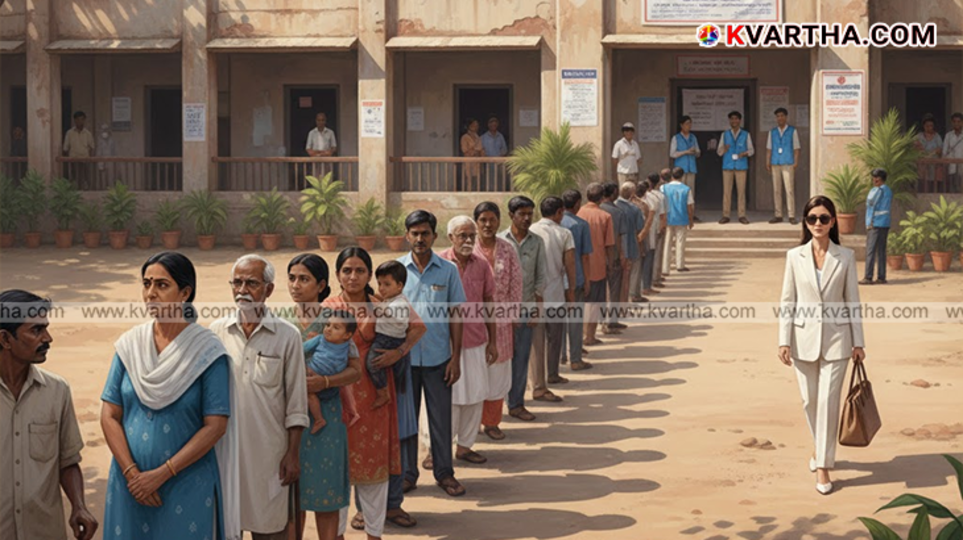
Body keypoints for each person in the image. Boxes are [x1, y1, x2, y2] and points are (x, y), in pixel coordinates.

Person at [101, 252, 240, 540]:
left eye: (162, 285)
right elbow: (109, 414)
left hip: (186, 485)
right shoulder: (130, 346)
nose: (150, 293)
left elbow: (216, 426)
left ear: (185, 293)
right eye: (146, 284)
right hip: (130, 486)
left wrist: (161, 474)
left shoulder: (207, 352)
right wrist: (132, 475)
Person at [211, 254, 308, 540]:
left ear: (268, 289)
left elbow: (297, 403)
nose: (242, 290)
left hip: (270, 457)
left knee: (270, 529)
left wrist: (292, 454)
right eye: (237, 283)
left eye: (251, 283)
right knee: (227, 528)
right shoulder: (216, 332)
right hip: (226, 455)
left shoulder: (287, 336)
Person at [330, 247, 423, 536]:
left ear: (370, 275)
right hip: (337, 396)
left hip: (375, 395)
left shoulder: (381, 303)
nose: (353, 276)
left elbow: (417, 327)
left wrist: (399, 352)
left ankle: (374, 532)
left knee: (374, 468)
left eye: (360, 271)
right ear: (337, 275)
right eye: (347, 270)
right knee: (336, 470)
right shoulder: (327, 307)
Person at [778, 195, 866, 495]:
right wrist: (783, 340)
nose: (818, 223)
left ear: (833, 222)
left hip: (838, 340)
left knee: (828, 402)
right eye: (812, 218)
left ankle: (823, 467)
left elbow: (852, 301)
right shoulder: (794, 256)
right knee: (809, 401)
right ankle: (820, 448)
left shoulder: (846, 257)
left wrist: (858, 342)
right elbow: (787, 301)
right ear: (805, 222)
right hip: (802, 338)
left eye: (824, 218)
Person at [1, 289, 98, 540]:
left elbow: (68, 460)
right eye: (36, 330)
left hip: (44, 532)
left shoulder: (57, 391)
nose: (48, 338)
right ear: (5, 339)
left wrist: (79, 505)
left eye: (46, 328)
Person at [284, 253, 363, 540]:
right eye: (292, 278)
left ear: (320, 285)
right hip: (286, 418)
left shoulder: (335, 321)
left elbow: (355, 371)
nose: (295, 285)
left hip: (325, 419)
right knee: (291, 499)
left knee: (325, 494)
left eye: (303, 279)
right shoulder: (281, 322)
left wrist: (325, 382)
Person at [399, 211, 468, 497]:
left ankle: (444, 473)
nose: (419, 238)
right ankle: (407, 474)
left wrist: (455, 358)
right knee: (407, 420)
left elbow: (457, 315)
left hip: (439, 359)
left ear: (434, 236)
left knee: (441, 419)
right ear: (407, 236)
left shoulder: (448, 270)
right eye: (414, 233)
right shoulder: (396, 270)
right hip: (404, 360)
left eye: (425, 233)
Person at [437, 216, 498, 463]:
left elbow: (489, 302)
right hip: (443, 343)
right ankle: (436, 449)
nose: (468, 240)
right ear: (451, 237)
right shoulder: (439, 263)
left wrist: (493, 340)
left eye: (472, 236)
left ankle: (464, 446)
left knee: (475, 395)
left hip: (475, 341)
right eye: (463, 235)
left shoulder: (482, 265)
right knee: (445, 399)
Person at [474, 202, 524, 440]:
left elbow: (516, 284)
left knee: (498, 373)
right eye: (483, 220)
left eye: (492, 220)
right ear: (476, 222)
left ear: (498, 221)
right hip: (472, 323)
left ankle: (492, 422)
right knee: (474, 373)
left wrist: (513, 316)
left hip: (502, 322)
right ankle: (471, 424)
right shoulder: (468, 249)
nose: (487, 224)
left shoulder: (507, 249)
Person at [500, 197, 551, 417]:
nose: (526, 218)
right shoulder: (500, 241)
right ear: (511, 215)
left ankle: (516, 404)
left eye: (530, 213)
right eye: (522, 214)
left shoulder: (537, 242)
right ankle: (494, 407)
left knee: (521, 358)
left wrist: (537, 309)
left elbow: (540, 277)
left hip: (526, 309)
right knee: (500, 360)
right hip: (500, 312)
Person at [529, 197, 577, 395]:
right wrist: (571, 291)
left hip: (533, 297)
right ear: (559, 212)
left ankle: (535, 380)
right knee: (554, 338)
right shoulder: (564, 233)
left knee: (535, 343)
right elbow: (570, 264)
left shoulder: (530, 230)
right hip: (555, 294)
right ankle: (552, 374)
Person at [368, 261, 414, 409]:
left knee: (372, 363)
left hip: (388, 340)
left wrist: (380, 308)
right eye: (379, 284)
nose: (381, 288)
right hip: (388, 339)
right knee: (396, 373)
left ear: (399, 286)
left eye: (387, 284)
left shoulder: (401, 303)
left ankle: (382, 392)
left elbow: (398, 317)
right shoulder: (390, 300)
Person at [302, 312, 357, 432]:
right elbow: (303, 348)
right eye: (327, 325)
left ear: (347, 335)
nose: (328, 329)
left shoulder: (350, 346)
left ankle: (319, 420)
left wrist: (326, 381)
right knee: (309, 394)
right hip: (312, 374)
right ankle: (318, 419)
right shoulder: (321, 339)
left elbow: (356, 371)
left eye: (336, 327)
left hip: (328, 386)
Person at [559, 189, 594, 371]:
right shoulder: (580, 225)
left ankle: (561, 355)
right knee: (575, 320)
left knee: (559, 319)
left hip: (557, 280)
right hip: (576, 278)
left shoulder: (555, 224)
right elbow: (585, 256)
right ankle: (575, 358)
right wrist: (587, 280)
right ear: (578, 203)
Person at [578, 183, 616, 347]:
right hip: (597, 266)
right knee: (594, 302)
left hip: (578, 267)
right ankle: (590, 336)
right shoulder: (605, 216)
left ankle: (579, 336)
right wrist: (610, 264)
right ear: (601, 198)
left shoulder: (578, 213)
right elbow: (609, 244)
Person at [600, 182, 628, 334]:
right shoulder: (617, 212)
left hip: (596, 257)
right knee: (614, 290)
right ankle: (611, 321)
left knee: (599, 291)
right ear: (613, 193)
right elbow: (619, 238)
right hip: (614, 255)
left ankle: (600, 320)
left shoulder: (595, 210)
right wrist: (622, 255)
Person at [717, 110, 754, 224]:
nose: (734, 121)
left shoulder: (746, 134)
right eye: (732, 119)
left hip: (741, 166)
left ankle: (742, 215)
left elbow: (751, 150)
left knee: (741, 192)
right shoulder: (725, 134)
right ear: (729, 121)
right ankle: (726, 215)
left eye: (736, 119)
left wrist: (744, 153)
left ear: (740, 120)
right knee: (726, 192)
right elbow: (719, 152)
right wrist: (724, 149)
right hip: (727, 165)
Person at [766, 107, 801, 224]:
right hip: (775, 162)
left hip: (788, 162)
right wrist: (767, 161)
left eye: (782, 116)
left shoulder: (792, 131)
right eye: (778, 116)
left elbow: (796, 148)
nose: (780, 118)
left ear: (786, 117)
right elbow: (769, 148)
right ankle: (778, 214)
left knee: (789, 189)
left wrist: (796, 162)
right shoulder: (772, 132)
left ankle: (791, 215)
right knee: (776, 190)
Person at [861, 168, 894, 285]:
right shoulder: (888, 190)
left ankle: (868, 276)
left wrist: (869, 223)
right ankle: (881, 276)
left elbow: (871, 205)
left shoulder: (877, 191)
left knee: (870, 250)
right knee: (881, 251)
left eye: (876, 178)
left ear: (880, 179)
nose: (874, 180)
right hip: (885, 223)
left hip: (875, 223)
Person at [616, 181, 647, 303]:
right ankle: (633, 295)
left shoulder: (614, 206)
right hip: (631, 245)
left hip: (616, 247)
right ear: (632, 193)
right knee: (634, 270)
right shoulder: (634, 209)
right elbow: (640, 228)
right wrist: (641, 245)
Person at [661, 167, 695, 275]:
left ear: (672, 175)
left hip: (668, 218)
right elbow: (689, 207)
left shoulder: (663, 188)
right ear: (682, 176)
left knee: (667, 243)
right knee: (680, 242)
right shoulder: (686, 189)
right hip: (681, 218)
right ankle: (680, 265)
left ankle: (665, 267)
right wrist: (691, 220)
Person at [669, 116, 700, 221]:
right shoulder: (676, 138)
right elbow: (672, 154)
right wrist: (686, 152)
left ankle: (691, 213)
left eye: (690, 123)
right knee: (679, 192)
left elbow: (698, 152)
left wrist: (695, 152)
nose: (689, 126)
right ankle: (679, 214)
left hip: (691, 168)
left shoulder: (693, 137)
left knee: (691, 192)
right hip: (680, 169)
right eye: (687, 124)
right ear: (681, 125)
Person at [637, 178, 660, 296]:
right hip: (643, 235)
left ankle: (645, 286)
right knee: (645, 261)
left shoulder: (650, 200)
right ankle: (643, 287)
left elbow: (651, 218)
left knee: (647, 260)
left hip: (647, 234)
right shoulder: (650, 199)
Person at [916, 114, 943, 190]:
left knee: (933, 186)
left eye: (931, 126)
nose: (929, 128)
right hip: (922, 166)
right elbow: (916, 148)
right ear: (924, 126)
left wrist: (930, 153)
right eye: (927, 126)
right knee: (922, 185)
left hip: (934, 166)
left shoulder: (937, 137)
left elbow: (939, 150)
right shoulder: (919, 136)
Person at [481, 116, 508, 189]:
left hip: (499, 162)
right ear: (488, 125)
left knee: (500, 180)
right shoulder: (483, 137)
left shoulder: (500, 136)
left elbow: (504, 149)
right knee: (489, 180)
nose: (493, 126)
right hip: (488, 162)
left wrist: (501, 157)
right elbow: (480, 150)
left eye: (495, 124)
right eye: (491, 124)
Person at [460, 118, 484, 189]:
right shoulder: (465, 137)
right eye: (474, 125)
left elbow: (480, 149)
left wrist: (476, 151)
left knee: (476, 183)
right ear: (469, 126)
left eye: (477, 125)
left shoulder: (477, 137)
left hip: (477, 163)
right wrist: (475, 151)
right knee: (468, 182)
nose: (476, 127)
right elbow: (465, 150)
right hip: (468, 163)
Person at [943, 112, 963, 193]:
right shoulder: (948, 136)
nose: (956, 123)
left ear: (962, 122)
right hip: (951, 167)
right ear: (952, 123)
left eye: (958, 121)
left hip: (962, 168)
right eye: (954, 121)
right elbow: (944, 152)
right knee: (952, 191)